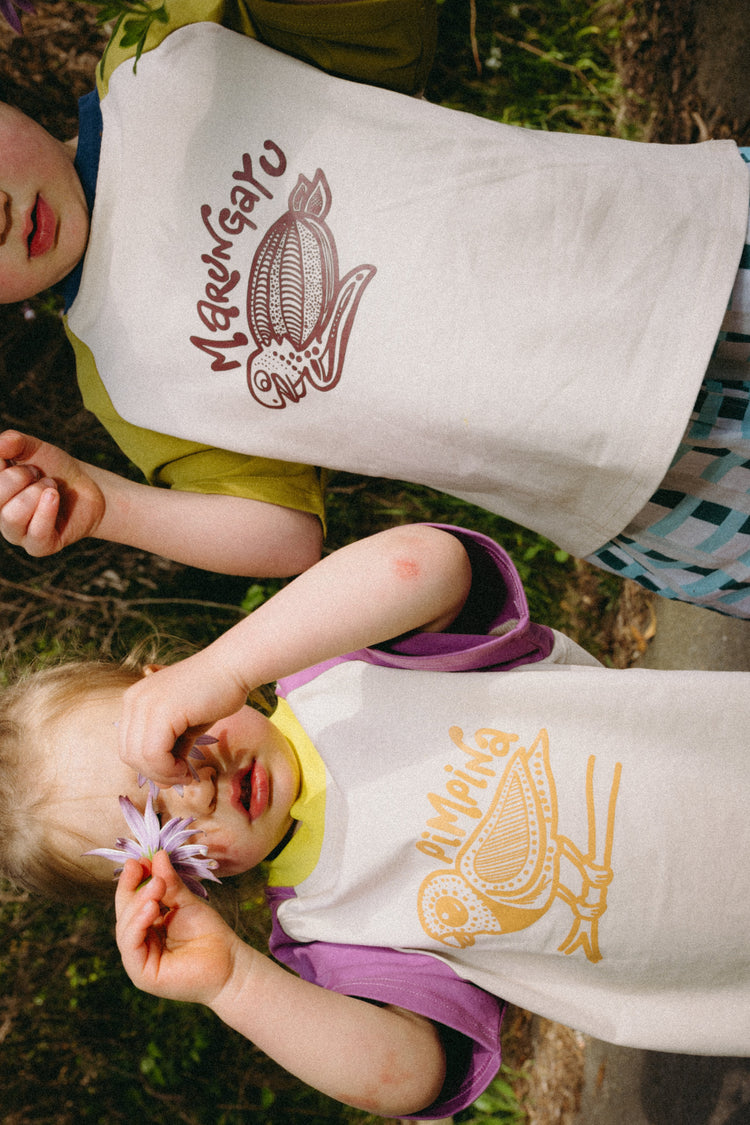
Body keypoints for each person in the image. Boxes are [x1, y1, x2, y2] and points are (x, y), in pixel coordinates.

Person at [4, 3, 750, 611]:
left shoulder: (171, 50)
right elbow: (281, 533)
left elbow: (376, 24)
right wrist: (104, 503)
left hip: (676, 251)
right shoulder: (125, 377)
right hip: (625, 465)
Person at [2, 523, 748, 1121]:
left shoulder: (341, 667)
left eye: (166, 747)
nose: (198, 791)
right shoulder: (324, 937)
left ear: (164, 684)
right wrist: (232, 982)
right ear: (164, 886)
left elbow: (426, 564)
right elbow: (409, 1076)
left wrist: (227, 665)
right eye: (158, 823)